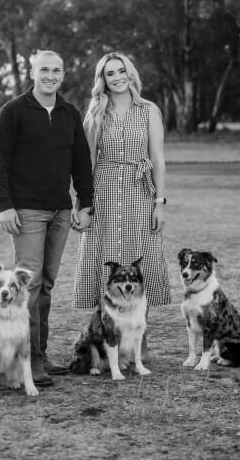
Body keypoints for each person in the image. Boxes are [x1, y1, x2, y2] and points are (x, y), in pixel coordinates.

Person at [0, 50, 94, 386]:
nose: (50, 75)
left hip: (61, 211)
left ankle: (40, 354)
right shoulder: (13, 111)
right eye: (44, 69)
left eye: (56, 70)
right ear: (32, 73)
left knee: (45, 285)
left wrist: (85, 203)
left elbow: (81, 160)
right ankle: (29, 362)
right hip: (26, 211)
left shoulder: (69, 113)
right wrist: (5, 205)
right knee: (29, 286)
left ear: (63, 75)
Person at [72, 52, 171, 359]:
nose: (117, 78)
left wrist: (160, 202)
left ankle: (139, 341)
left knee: (142, 261)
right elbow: (87, 160)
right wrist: (83, 203)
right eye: (109, 73)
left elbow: (158, 158)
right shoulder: (96, 110)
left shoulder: (148, 109)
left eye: (121, 71)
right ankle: (108, 339)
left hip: (140, 193)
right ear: (102, 79)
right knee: (105, 258)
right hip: (103, 191)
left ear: (130, 74)